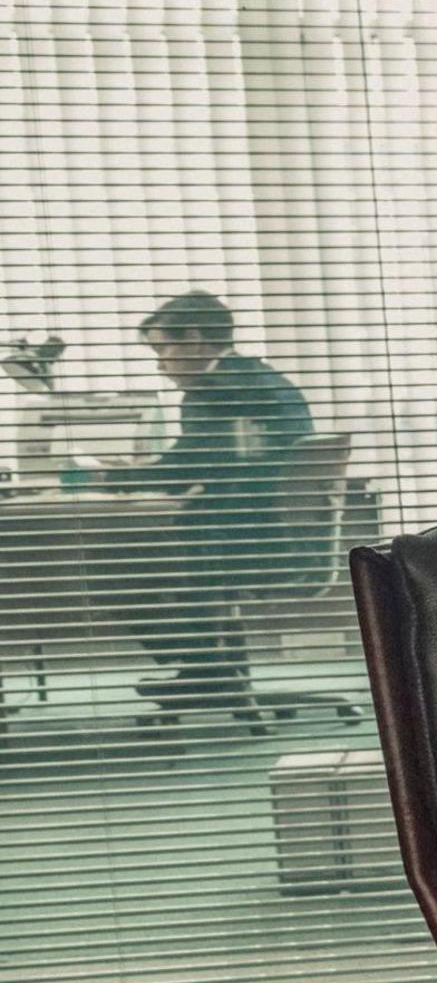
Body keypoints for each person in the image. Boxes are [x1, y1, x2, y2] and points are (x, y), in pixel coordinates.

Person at [110, 290, 315, 713]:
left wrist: (112, 475)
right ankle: (207, 666)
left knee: (112, 563)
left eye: (163, 348)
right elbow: (213, 459)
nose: (159, 363)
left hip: (242, 541)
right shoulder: (262, 380)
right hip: (277, 536)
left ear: (196, 339)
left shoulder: (217, 390)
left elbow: (186, 466)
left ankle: (205, 669)